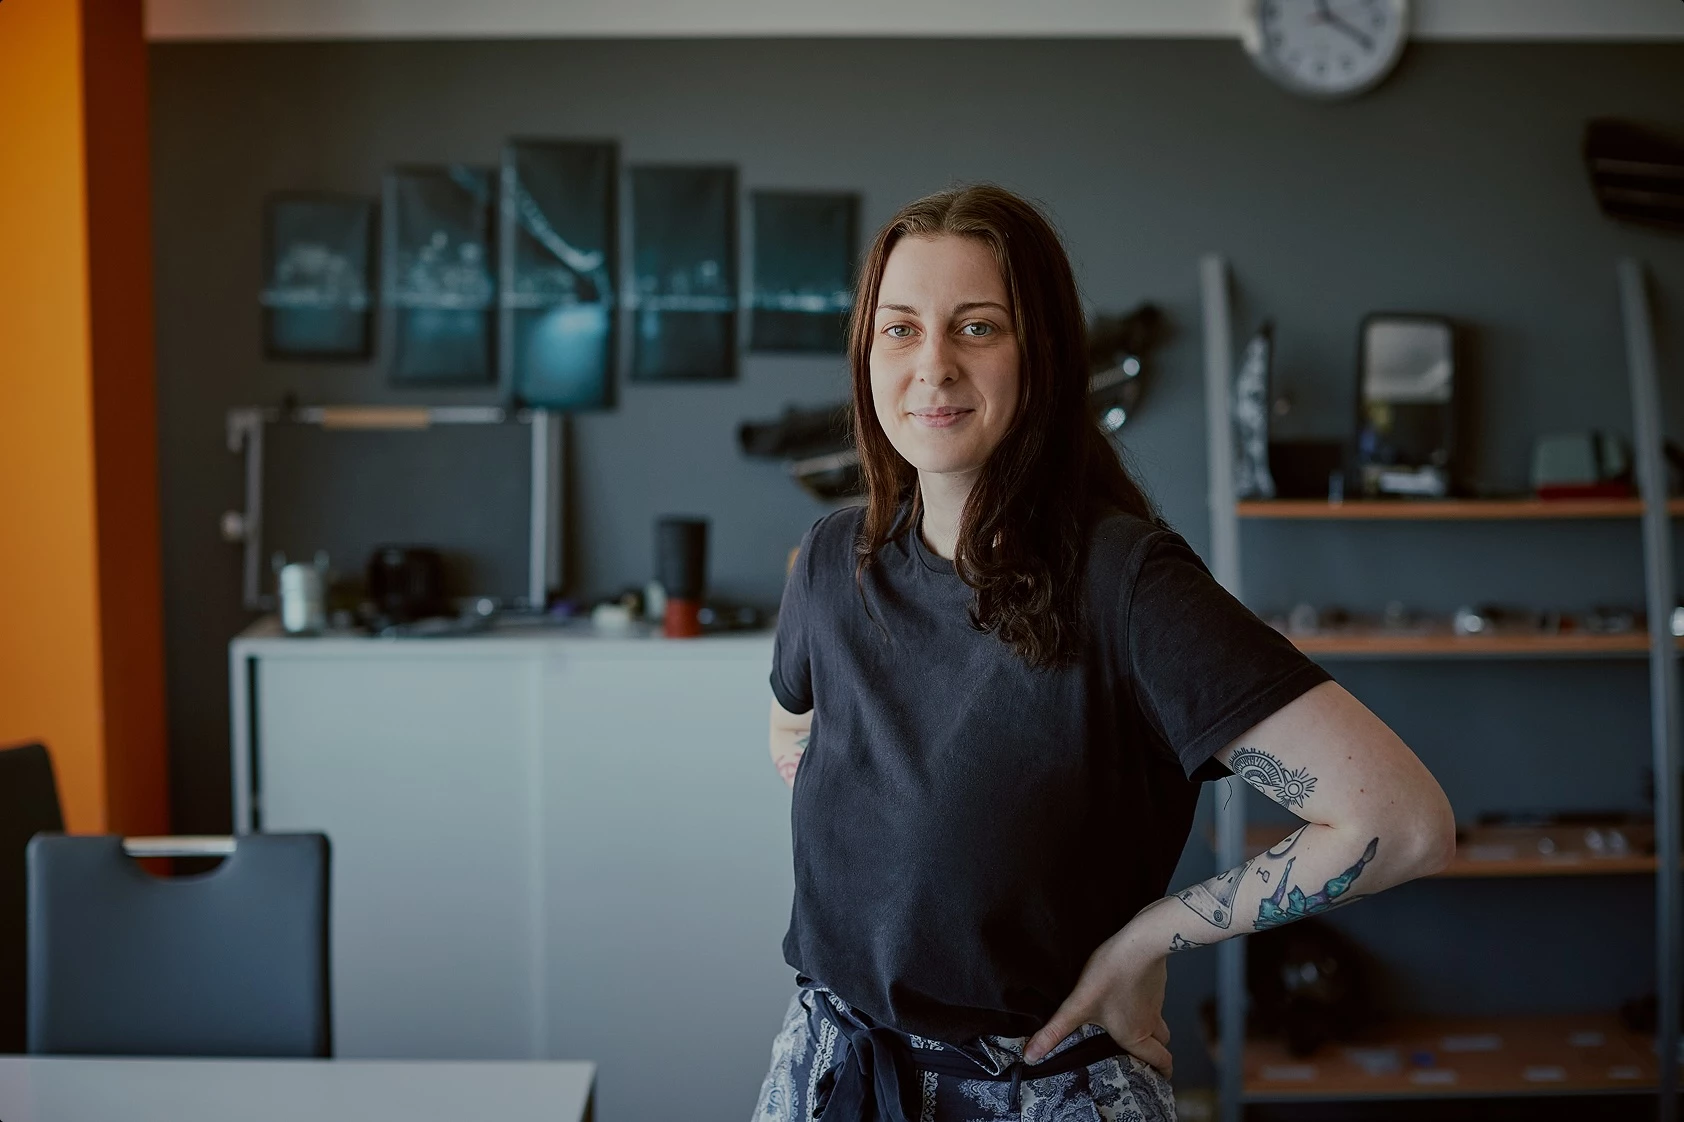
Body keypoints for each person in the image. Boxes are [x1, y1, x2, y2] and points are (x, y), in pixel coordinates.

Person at [754, 185, 1455, 1122]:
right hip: (829, 1072)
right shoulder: (831, 561)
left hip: (1034, 1090)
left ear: (1042, 354)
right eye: (900, 329)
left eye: (977, 327)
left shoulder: (1129, 585)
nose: (933, 365)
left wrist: (1146, 942)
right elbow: (792, 727)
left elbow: (1401, 823)